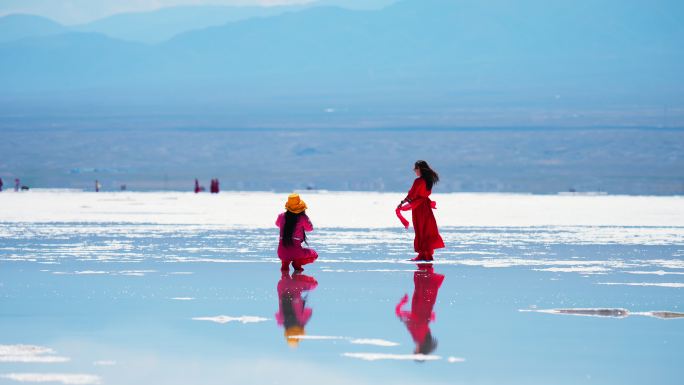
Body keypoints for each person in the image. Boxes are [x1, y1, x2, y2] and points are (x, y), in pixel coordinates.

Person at [396, 160, 445, 261]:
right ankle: (427, 254)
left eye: (416, 169)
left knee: (420, 229)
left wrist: (402, 203)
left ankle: (423, 254)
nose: (415, 171)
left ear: (420, 169)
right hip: (426, 207)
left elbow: (412, 195)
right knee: (427, 230)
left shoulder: (418, 181)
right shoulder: (429, 181)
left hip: (419, 207)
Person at [396, 264, 445, 356]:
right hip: (419, 309)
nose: (414, 349)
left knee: (424, 289)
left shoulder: (425, 338)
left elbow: (417, 323)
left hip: (425, 310)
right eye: (415, 351)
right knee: (422, 288)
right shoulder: (419, 338)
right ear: (418, 351)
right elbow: (413, 323)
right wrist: (402, 314)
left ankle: (426, 266)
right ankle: (424, 265)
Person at [276, 193, 318, 272]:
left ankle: (285, 265)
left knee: (286, 256)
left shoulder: (281, 216)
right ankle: (297, 263)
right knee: (314, 254)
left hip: (281, 252)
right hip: (296, 252)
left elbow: (277, 224)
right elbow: (310, 228)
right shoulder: (302, 217)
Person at [275, 271, 318, 347]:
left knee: (314, 285)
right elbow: (277, 314)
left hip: (297, 285)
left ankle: (297, 273)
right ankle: (288, 272)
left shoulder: (301, 321)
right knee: (288, 283)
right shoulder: (281, 321)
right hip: (281, 285)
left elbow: (309, 311)